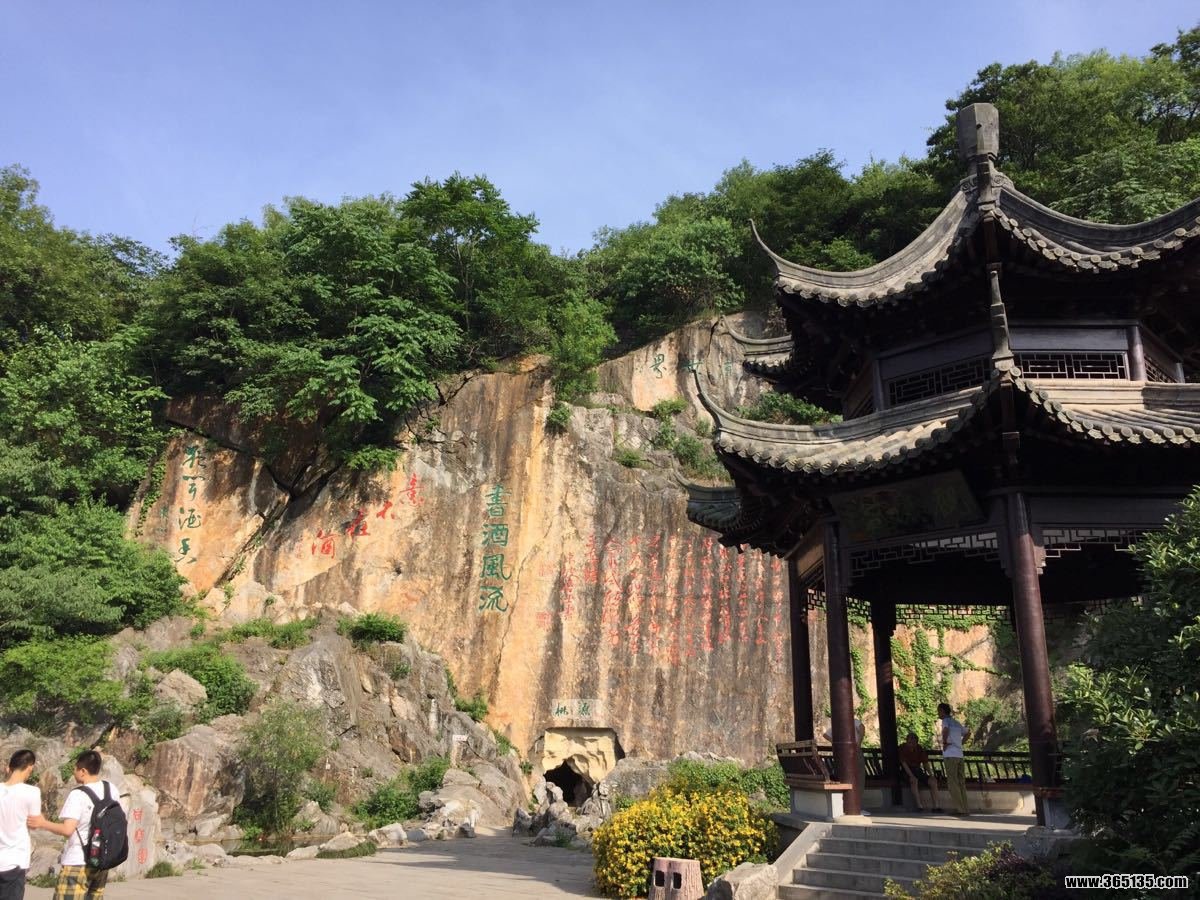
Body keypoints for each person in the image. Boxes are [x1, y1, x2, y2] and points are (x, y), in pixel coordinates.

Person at [28, 749, 118, 900]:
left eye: (75, 768)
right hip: (101, 861)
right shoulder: (111, 789)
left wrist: (43, 823)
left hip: (77, 862)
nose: (73, 772)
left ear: (83, 771)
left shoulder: (78, 794)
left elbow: (67, 829)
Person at [0, 750, 41, 900]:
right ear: (30, 767)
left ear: (9, 767)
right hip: (15, 860)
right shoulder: (32, 792)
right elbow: (34, 824)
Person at [823, 717, 867, 806]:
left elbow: (826, 734)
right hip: (854, 750)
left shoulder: (837, 725)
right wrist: (858, 743)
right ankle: (856, 803)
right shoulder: (853, 721)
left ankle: (849, 802)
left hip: (841, 752)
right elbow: (862, 728)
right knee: (859, 775)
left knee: (848, 775)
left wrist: (835, 742)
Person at [898, 732, 942, 813]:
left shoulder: (919, 748)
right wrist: (911, 776)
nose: (911, 745)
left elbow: (925, 762)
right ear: (907, 741)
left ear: (916, 742)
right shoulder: (902, 748)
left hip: (918, 770)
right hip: (906, 771)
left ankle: (936, 806)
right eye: (910, 742)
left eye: (914, 743)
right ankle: (919, 806)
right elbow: (904, 763)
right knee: (914, 781)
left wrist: (931, 775)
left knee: (933, 781)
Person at [938, 703, 969, 816]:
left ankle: (959, 809)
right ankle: (965, 808)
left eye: (939, 711)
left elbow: (945, 730)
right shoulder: (956, 723)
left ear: (942, 711)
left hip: (950, 754)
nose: (938, 713)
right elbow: (968, 733)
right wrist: (961, 743)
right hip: (959, 755)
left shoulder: (945, 721)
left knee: (953, 783)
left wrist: (945, 742)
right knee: (961, 783)